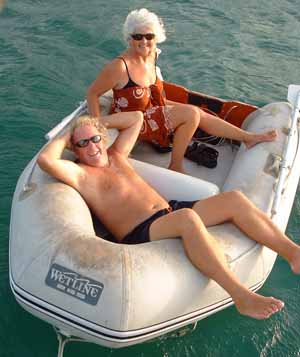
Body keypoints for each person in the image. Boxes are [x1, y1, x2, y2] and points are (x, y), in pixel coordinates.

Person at [37, 112, 300, 321]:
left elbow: (135, 119)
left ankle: (292, 253)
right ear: (76, 149)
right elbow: (46, 161)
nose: (92, 147)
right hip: (139, 231)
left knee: (234, 201)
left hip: (167, 210)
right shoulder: (80, 173)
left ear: (103, 138)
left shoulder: (116, 154)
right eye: (83, 144)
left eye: (95, 139)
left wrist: (94, 123)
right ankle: (240, 296)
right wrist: (69, 133)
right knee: (187, 218)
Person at [86, 8, 277, 173]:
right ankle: (175, 165)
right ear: (130, 38)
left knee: (199, 113)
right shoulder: (120, 67)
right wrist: (98, 127)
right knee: (191, 113)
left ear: (156, 37)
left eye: (149, 36)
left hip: (152, 108)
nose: (144, 41)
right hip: (132, 119)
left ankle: (248, 138)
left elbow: (154, 94)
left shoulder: (152, 55)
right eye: (137, 36)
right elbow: (93, 93)